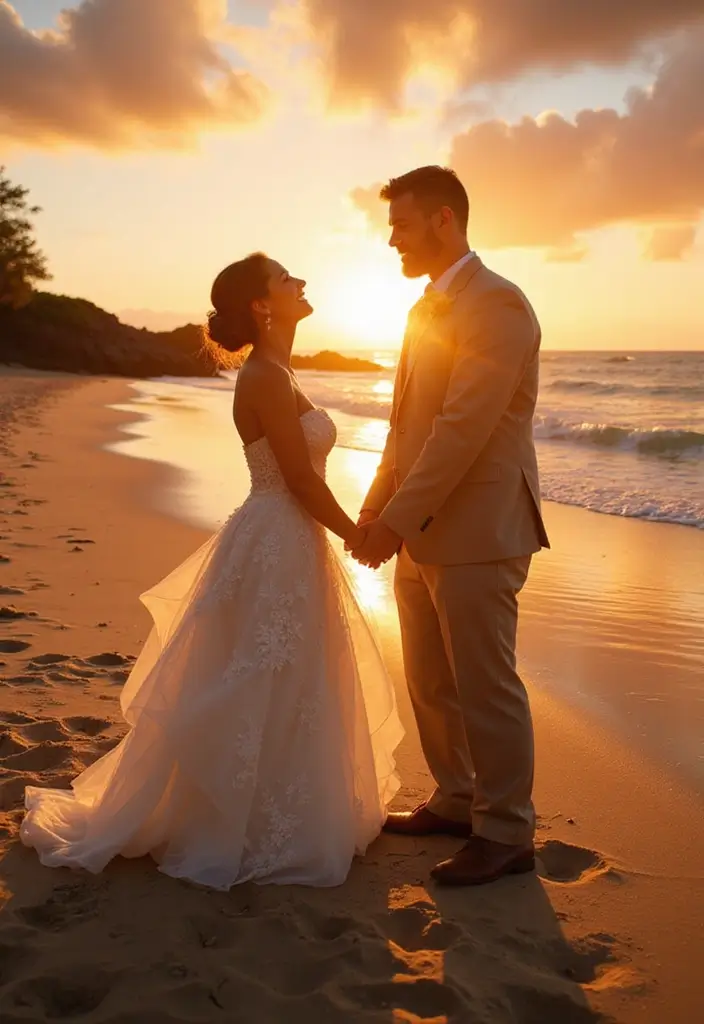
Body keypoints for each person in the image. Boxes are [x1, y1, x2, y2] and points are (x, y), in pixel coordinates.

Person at [21, 253, 403, 889]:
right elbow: (300, 478)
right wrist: (357, 535)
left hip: (288, 535)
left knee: (292, 672)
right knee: (257, 672)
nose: (301, 282)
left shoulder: (280, 371)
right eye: (286, 278)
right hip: (279, 533)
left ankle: (287, 807)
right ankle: (242, 821)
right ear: (261, 304)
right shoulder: (265, 377)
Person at [351, 166, 550, 886]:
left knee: (484, 683)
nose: (392, 240)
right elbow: (405, 427)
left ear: (444, 220)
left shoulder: (498, 303)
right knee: (431, 678)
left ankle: (507, 832)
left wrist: (395, 522)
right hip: (421, 525)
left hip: (482, 529)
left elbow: (464, 428)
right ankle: (457, 798)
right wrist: (375, 507)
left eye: (401, 225)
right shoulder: (421, 310)